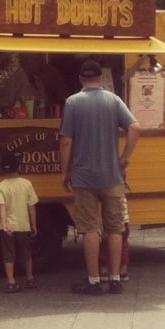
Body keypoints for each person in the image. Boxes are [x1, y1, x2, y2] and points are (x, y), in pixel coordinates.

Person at [60, 58, 141, 296]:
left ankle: (94, 281)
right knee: (115, 229)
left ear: (80, 79)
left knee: (90, 228)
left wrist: (65, 172)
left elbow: (66, 141)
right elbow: (135, 128)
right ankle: (115, 279)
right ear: (101, 78)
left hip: (84, 177)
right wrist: (125, 157)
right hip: (112, 176)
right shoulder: (113, 100)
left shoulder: (73, 102)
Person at [0, 151, 39, 291]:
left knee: (8, 255)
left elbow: (2, 207)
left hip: (8, 228)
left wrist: (5, 224)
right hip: (23, 226)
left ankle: (11, 282)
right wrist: (34, 224)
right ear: (18, 166)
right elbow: (31, 206)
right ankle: (30, 279)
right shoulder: (26, 184)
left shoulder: (1, 186)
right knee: (26, 253)